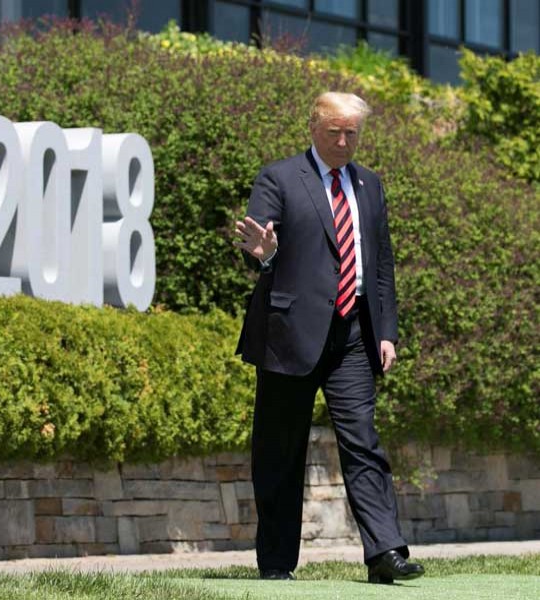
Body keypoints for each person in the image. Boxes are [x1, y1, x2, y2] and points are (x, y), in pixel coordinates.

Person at [234, 92, 424, 584]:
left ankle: (386, 554)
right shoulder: (279, 177)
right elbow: (259, 242)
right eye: (334, 132)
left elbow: (380, 265)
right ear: (313, 128)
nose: (343, 141)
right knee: (280, 450)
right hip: (289, 336)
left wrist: (386, 331)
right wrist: (265, 252)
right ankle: (276, 563)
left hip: (353, 336)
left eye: (352, 133)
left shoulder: (369, 184)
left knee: (364, 443)